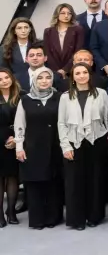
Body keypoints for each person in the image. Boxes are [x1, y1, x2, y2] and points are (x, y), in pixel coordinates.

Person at [55, 63, 107, 230]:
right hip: (73, 142)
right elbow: (61, 123)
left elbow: (107, 118)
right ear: (72, 77)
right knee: (74, 182)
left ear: (90, 75)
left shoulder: (101, 94)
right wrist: (65, 146)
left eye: (85, 72)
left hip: (96, 141)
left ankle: (94, 216)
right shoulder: (65, 97)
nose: (82, 76)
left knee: (95, 180)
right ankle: (77, 219)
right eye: (77, 73)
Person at [14, 67, 63, 230]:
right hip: (32, 148)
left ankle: (53, 218)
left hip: (55, 146)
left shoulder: (59, 97)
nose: (44, 81)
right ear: (34, 80)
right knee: (35, 184)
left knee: (53, 183)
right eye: (40, 78)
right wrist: (19, 147)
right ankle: (37, 220)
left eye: (47, 77)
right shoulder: (25, 100)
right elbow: (20, 125)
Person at [0, 68, 19, 227]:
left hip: (16, 139)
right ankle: (0, 213)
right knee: (0, 178)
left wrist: (16, 138)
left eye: (6, 77)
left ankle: (11, 211)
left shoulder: (21, 95)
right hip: (0, 140)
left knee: (13, 177)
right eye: (0, 79)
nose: (4, 81)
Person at [44, 4, 85, 77]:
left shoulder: (78, 30)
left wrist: (65, 69)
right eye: (63, 13)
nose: (66, 16)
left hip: (72, 69)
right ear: (57, 14)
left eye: (69, 13)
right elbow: (48, 52)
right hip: (54, 70)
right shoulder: (48, 31)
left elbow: (78, 51)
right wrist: (57, 71)